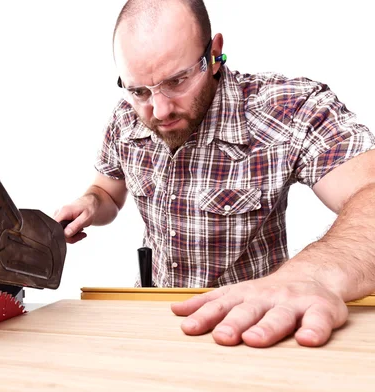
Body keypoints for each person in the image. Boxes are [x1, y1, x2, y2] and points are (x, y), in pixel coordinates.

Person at [53, 0, 375, 348]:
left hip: (248, 328)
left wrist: (311, 277)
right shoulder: (125, 117)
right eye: (140, 91)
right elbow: (108, 191)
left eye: (177, 80)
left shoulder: (291, 110)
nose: (159, 110)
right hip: (152, 320)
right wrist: (91, 201)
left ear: (215, 55)